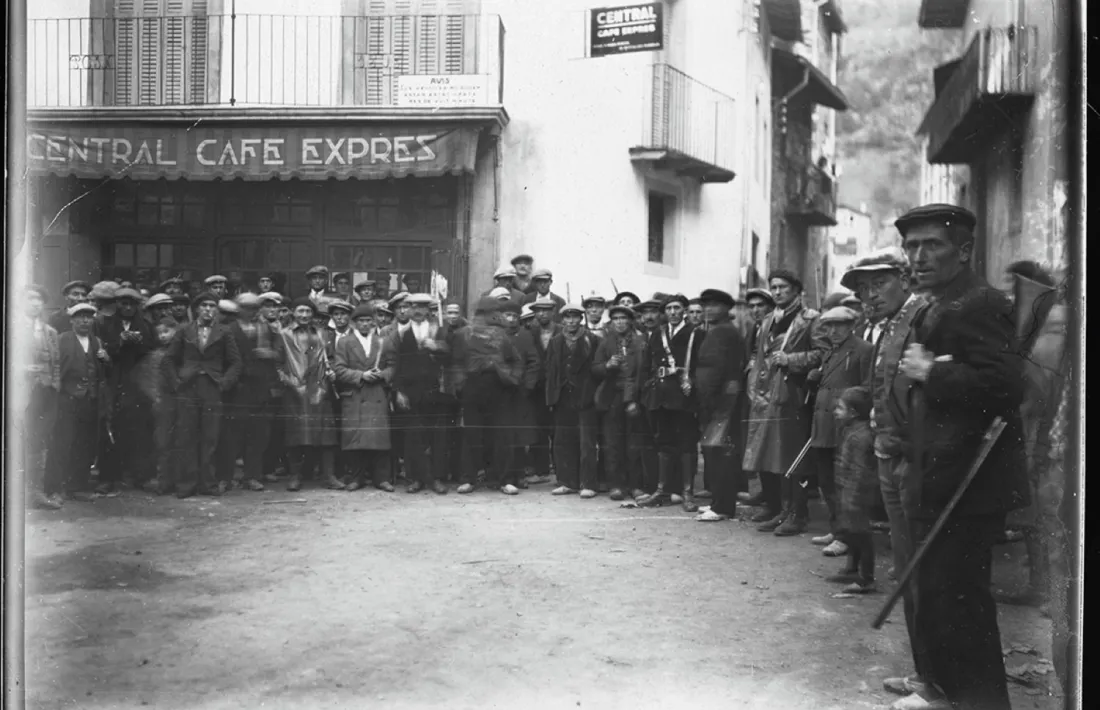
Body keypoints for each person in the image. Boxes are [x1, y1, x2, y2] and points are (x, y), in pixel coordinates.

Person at [895, 203, 1029, 710]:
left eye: (932, 245)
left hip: (969, 480)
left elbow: (1006, 386)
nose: (919, 256)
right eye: (912, 246)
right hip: (940, 471)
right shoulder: (941, 301)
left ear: (965, 250)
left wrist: (933, 373)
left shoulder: (979, 303)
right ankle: (947, 692)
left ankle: (980, 701)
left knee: (960, 597)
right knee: (940, 589)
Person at [841, 248, 931, 700]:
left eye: (878, 283)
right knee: (906, 569)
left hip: (913, 459)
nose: (869, 294)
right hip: (888, 453)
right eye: (862, 288)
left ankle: (936, 680)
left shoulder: (923, 317)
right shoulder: (890, 325)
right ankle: (925, 674)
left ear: (904, 278)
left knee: (923, 570)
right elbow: (883, 387)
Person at [741, 271, 826, 534]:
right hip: (765, 395)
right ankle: (777, 508)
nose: (777, 292)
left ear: (797, 291)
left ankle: (797, 514)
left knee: (793, 457)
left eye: (783, 288)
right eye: (774, 288)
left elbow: (823, 354)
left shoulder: (811, 319)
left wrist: (792, 360)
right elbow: (760, 353)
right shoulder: (767, 320)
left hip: (793, 394)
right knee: (770, 451)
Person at [805, 306, 873, 554]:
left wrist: (847, 403)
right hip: (823, 425)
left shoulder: (863, 349)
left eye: (839, 325)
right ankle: (836, 528)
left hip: (844, 425)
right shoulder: (831, 352)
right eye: (828, 326)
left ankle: (846, 537)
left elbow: (867, 388)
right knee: (826, 481)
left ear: (851, 325)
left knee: (844, 484)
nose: (833, 331)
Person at [170, 291, 243, 498]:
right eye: (204, 306)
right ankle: (186, 485)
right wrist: (177, 383)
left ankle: (208, 484)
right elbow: (169, 360)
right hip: (188, 387)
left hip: (212, 387)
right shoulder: (184, 330)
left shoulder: (224, 331)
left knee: (210, 437)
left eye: (212, 306)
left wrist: (224, 383)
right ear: (196, 310)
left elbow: (236, 362)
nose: (208, 310)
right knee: (186, 436)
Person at [637, 294, 705, 512]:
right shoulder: (658, 333)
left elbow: (702, 365)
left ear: (684, 310)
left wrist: (691, 382)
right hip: (660, 396)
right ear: (664, 312)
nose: (673, 312)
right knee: (664, 442)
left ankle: (687, 493)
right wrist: (648, 387)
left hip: (684, 396)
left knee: (686, 444)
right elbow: (648, 364)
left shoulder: (696, 333)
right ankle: (662, 491)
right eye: (669, 309)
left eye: (677, 308)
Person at [450, 297, 524, 495]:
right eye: (493, 312)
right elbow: (456, 362)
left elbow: (516, 361)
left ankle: (504, 480)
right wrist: (461, 386)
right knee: (472, 435)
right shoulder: (463, 335)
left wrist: (511, 379)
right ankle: (469, 479)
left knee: (501, 436)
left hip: (498, 389)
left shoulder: (503, 335)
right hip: (473, 389)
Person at [382, 293, 451, 495]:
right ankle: (416, 478)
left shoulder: (439, 329)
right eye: (413, 306)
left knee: (438, 436)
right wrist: (399, 391)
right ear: (408, 309)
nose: (418, 310)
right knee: (413, 437)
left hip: (435, 390)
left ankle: (437, 478)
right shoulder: (400, 334)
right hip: (411, 392)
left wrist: (437, 346)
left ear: (429, 309)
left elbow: (452, 353)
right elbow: (395, 364)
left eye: (422, 307)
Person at [274, 297, 345, 492]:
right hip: (295, 390)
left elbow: (329, 359)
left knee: (327, 436)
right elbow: (278, 364)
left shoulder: (322, 334)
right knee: (296, 435)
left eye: (308, 312)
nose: (304, 315)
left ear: (313, 314)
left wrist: (331, 372)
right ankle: (295, 476)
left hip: (320, 389)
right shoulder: (284, 335)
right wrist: (290, 382)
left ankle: (329, 476)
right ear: (293, 313)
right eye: (300, 311)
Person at [215, 293, 281, 492]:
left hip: (260, 388)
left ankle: (252, 476)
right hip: (237, 388)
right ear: (238, 308)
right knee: (231, 436)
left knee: (258, 435)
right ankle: (225, 477)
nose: (251, 311)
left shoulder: (267, 329)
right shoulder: (228, 329)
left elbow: (279, 353)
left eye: (254, 307)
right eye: (246, 307)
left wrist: (270, 354)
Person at [45, 302, 110, 503]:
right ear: (72, 320)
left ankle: (78, 486)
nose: (84, 320)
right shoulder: (62, 340)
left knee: (85, 444)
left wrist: (106, 359)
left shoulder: (96, 341)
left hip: (90, 400)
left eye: (89, 317)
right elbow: (55, 368)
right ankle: (54, 488)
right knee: (62, 443)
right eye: (80, 316)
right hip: (68, 399)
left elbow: (103, 373)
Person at [693, 289, 747, 523]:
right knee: (714, 453)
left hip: (722, 402)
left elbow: (719, 370)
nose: (708, 309)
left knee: (722, 454)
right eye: (706, 305)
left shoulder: (725, 332)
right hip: (716, 400)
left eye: (715, 305)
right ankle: (718, 501)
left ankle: (723, 506)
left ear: (727, 308)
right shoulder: (716, 331)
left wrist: (709, 399)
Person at [96, 287, 155, 493]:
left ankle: (140, 476)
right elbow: (100, 350)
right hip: (113, 381)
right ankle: (108, 477)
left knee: (139, 429)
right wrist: (119, 342)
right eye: (123, 303)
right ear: (117, 304)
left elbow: (151, 351)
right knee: (110, 427)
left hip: (137, 383)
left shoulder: (146, 325)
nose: (127, 307)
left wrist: (138, 343)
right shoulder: (104, 324)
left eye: (132, 304)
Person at [333, 303, 394, 492]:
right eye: (361, 321)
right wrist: (361, 376)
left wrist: (382, 375)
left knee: (379, 439)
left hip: (377, 394)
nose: (365, 324)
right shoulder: (344, 342)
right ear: (354, 323)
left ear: (374, 323)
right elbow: (339, 369)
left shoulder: (384, 342)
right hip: (355, 394)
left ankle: (381, 479)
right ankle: (355, 478)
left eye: (368, 321)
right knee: (355, 438)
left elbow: (393, 366)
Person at [544, 304, 601, 498]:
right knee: (563, 440)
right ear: (562, 320)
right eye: (567, 318)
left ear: (581, 319)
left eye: (575, 317)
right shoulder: (556, 341)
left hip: (585, 396)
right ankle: (567, 482)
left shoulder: (592, 340)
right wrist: (551, 397)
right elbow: (550, 371)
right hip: (562, 397)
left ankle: (588, 483)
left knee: (586, 442)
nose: (571, 321)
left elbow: (596, 370)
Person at [593, 304, 648, 500]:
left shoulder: (640, 342)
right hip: (612, 398)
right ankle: (615, 485)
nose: (619, 322)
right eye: (615, 319)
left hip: (634, 397)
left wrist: (634, 400)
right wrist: (607, 365)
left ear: (630, 321)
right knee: (612, 442)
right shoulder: (606, 342)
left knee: (634, 443)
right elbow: (595, 368)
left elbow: (643, 372)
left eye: (623, 318)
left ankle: (635, 486)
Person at [826, 386, 878, 594]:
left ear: (854, 412)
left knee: (861, 534)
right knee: (852, 532)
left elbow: (860, 472)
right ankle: (851, 569)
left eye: (840, 408)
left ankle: (866, 578)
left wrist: (852, 497)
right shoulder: (852, 430)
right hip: (849, 492)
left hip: (857, 494)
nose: (836, 412)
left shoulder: (861, 437)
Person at [20, 285, 62, 510]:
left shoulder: (50, 332)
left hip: (44, 393)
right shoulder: (12, 327)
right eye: (31, 299)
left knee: (39, 442)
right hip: (18, 393)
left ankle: (35, 492)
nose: (36, 303)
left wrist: (53, 386)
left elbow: (55, 364)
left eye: (40, 300)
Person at [737, 287, 777, 506]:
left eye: (760, 305)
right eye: (751, 306)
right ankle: (765, 491)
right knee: (755, 442)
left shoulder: (775, 327)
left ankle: (775, 497)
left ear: (769, 307)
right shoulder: (754, 328)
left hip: (769, 392)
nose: (755, 310)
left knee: (769, 444)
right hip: (753, 391)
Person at [139, 316, 182, 496]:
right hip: (163, 403)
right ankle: (164, 481)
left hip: (182, 402)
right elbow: (147, 380)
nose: (163, 336)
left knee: (181, 441)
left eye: (167, 331)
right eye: (160, 333)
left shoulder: (184, 353)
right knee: (163, 442)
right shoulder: (155, 356)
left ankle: (180, 480)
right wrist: (155, 397)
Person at [505, 302, 543, 487]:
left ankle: (519, 475)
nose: (511, 319)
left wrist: (528, 385)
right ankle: (503, 475)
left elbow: (534, 362)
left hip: (520, 393)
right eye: (507, 315)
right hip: (501, 393)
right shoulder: (495, 335)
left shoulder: (526, 336)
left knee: (520, 436)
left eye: (514, 315)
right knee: (503, 435)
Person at [527, 300, 560, 481]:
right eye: (538, 311)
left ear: (553, 312)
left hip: (557, 386)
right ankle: (540, 470)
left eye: (546, 311)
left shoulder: (562, 330)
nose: (542, 314)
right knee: (538, 428)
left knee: (557, 428)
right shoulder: (530, 332)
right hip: (537, 387)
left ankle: (559, 469)